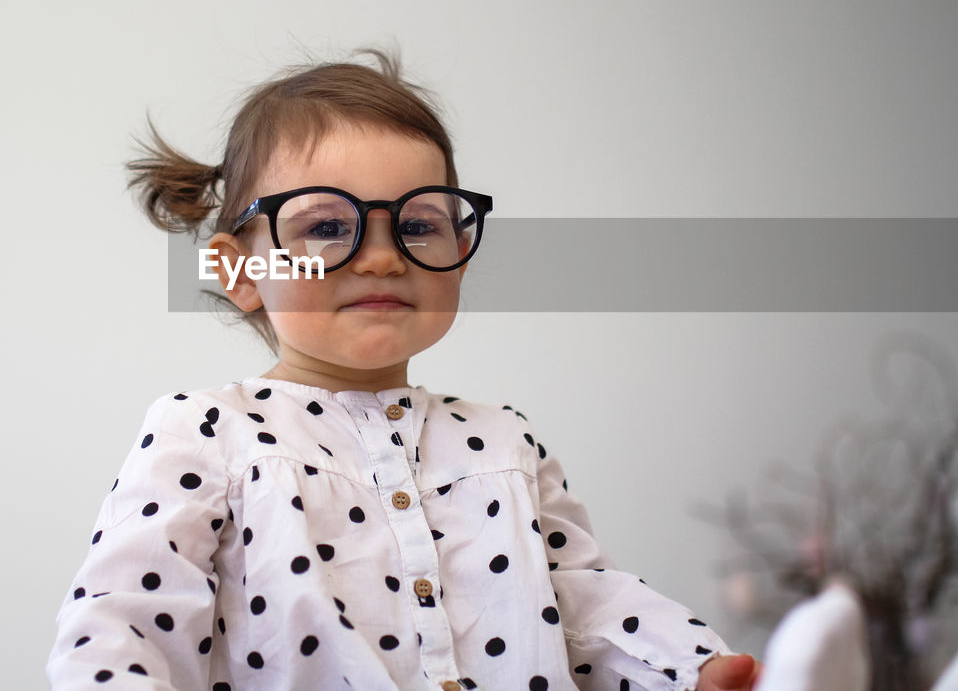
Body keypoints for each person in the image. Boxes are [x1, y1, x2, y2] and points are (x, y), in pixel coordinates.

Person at [46, 50, 763, 690]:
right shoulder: (208, 433)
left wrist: (688, 664)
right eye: (327, 224)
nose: (383, 255)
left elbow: (582, 597)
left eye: (419, 223)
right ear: (240, 269)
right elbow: (123, 629)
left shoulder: (504, 441)